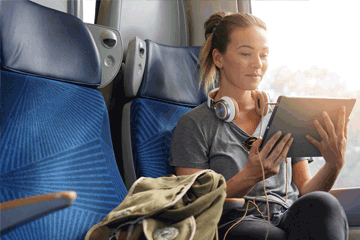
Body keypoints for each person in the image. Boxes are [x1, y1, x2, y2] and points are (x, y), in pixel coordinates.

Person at [168, 11, 349, 240]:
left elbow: (305, 191)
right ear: (218, 58)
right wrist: (251, 176)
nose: (257, 64)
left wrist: (334, 165)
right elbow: (194, 202)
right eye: (246, 54)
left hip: (286, 215)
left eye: (264, 55)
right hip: (234, 221)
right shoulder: (194, 124)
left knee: (324, 204)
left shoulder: (283, 116)